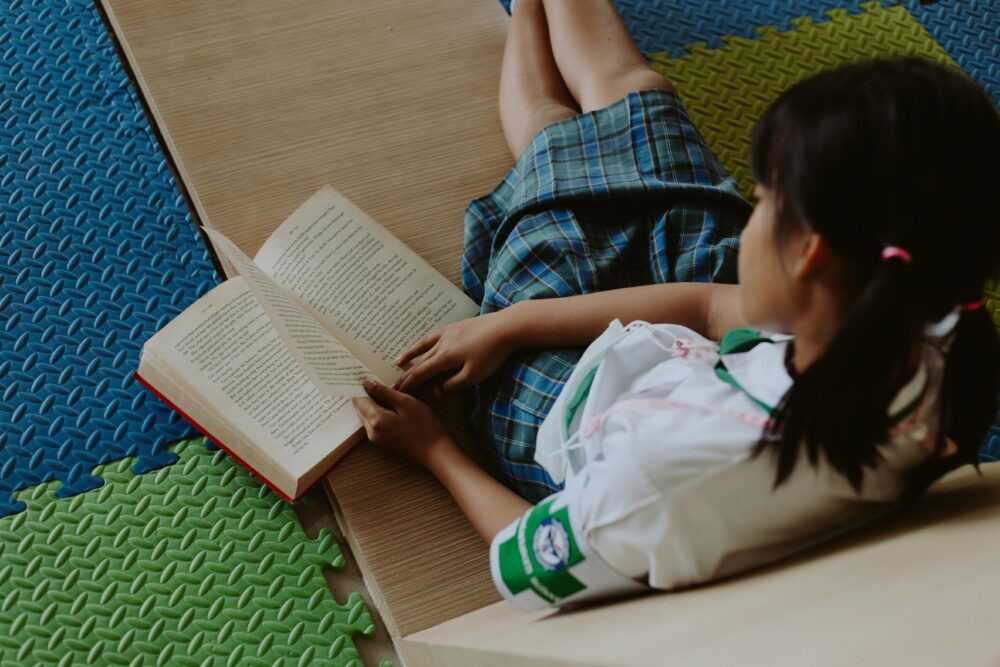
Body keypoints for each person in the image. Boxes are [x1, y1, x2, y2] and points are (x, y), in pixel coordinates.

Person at [351, 0, 1000, 611]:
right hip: (716, 359)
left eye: (764, 197)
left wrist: (434, 445)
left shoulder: (653, 480)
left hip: (575, 403)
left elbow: (526, 551)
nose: (753, 208)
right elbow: (713, 305)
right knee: (638, 100)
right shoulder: (926, 310)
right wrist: (514, 317)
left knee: (556, 142)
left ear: (811, 253)